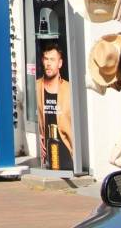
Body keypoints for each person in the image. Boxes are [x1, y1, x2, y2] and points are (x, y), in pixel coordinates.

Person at [36, 42, 74, 171]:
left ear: (60, 63)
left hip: (67, 153)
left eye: (52, 59)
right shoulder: (37, 87)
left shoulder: (69, 89)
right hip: (47, 154)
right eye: (46, 59)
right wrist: (38, 136)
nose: (48, 63)